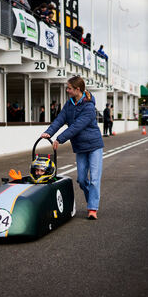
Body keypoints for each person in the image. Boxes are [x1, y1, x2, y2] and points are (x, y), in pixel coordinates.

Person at [41, 76, 104, 220]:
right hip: (80, 147)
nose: (67, 90)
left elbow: (77, 126)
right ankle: (92, 200)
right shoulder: (69, 104)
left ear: (77, 89)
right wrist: (49, 132)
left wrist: (60, 139)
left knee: (94, 179)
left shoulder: (89, 106)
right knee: (81, 180)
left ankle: (93, 208)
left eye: (69, 88)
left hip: (94, 145)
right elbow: (60, 119)